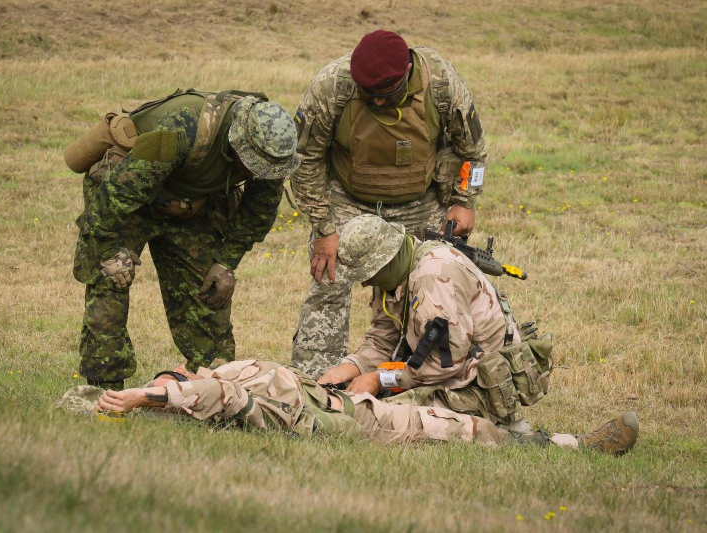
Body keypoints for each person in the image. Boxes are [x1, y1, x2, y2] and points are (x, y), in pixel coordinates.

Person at [67, 89, 300, 390]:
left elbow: (259, 211)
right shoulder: (183, 128)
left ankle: (214, 388)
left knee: (209, 291)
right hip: (128, 200)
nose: (260, 173)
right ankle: (104, 387)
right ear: (238, 143)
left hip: (191, 206)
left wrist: (225, 262)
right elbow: (116, 194)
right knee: (110, 281)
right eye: (254, 164)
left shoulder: (272, 151)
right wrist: (108, 249)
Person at [290, 30, 488, 375]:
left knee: (428, 284)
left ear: (407, 73)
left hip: (421, 199)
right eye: (370, 96)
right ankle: (316, 382)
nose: (378, 103)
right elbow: (304, 158)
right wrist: (324, 227)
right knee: (329, 281)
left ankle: (413, 374)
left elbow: (473, 149)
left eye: (387, 95)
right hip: (348, 199)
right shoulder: (332, 86)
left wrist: (465, 201)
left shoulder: (440, 83)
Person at [56, 359, 639, 456]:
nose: (174, 373)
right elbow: (216, 397)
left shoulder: (226, 371)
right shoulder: (222, 396)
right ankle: (572, 448)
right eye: (168, 381)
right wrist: (147, 397)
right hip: (357, 424)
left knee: (445, 397)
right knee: (459, 428)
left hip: (348, 398)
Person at [317, 214, 545, 432]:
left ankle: (502, 426)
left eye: (368, 274)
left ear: (386, 259)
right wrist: (347, 369)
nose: (365, 283)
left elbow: (447, 363)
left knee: (381, 418)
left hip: (480, 385)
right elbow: (382, 340)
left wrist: (379, 379)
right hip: (445, 374)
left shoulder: (434, 277)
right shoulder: (394, 271)